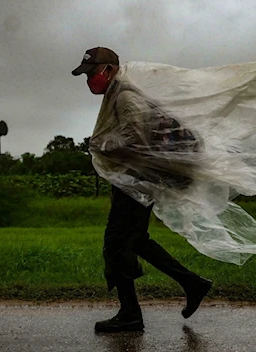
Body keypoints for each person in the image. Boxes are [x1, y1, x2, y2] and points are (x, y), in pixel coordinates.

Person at [71, 47, 213, 333]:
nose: (89, 81)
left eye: (91, 74)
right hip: (136, 181)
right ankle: (192, 284)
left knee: (116, 243)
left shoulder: (125, 96)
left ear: (108, 70)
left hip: (136, 183)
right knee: (135, 241)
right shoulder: (119, 94)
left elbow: (134, 139)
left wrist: (102, 146)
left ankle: (130, 314)